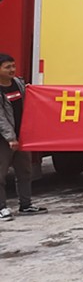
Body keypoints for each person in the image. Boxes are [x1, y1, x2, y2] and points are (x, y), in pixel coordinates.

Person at [0, 53, 47, 221]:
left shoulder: (19, 84)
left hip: (22, 136)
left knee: (25, 172)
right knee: (1, 174)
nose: (12, 69)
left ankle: (25, 205)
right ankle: (2, 208)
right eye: (7, 67)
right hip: (5, 140)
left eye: (13, 66)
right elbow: (1, 118)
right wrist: (10, 138)